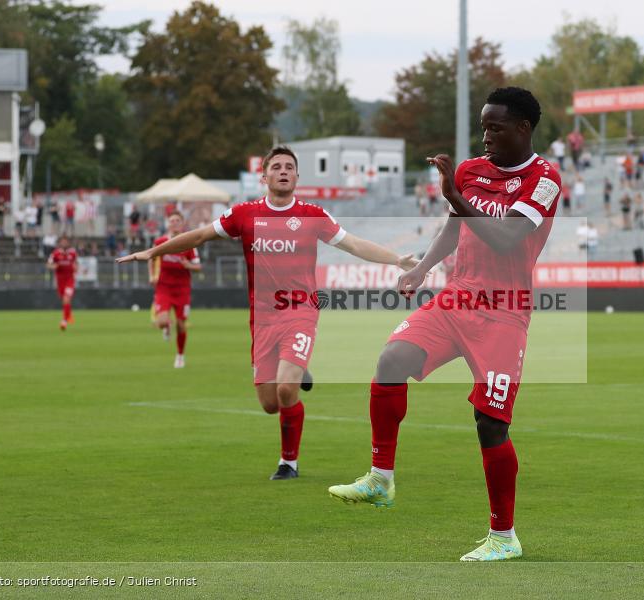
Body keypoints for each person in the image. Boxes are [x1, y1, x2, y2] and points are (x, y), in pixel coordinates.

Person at [327, 87, 561, 562]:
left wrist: (455, 195)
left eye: (495, 127)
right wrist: (423, 267)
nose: (486, 136)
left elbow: (506, 238)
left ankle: (504, 537)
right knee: (392, 360)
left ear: (523, 128)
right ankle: (380, 479)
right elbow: (455, 227)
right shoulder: (472, 171)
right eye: (483, 127)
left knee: (490, 423)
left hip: (504, 310)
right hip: (458, 296)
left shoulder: (544, 179)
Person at [118, 147, 417, 481]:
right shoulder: (244, 214)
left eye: (289, 167)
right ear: (264, 177)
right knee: (270, 403)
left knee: (286, 390)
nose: (283, 171)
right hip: (262, 320)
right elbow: (200, 236)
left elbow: (354, 244)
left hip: (300, 312)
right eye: (276, 167)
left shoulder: (312, 215)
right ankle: (298, 371)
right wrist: (154, 251)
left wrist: (397, 260)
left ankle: (289, 463)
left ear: (297, 176)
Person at [150, 211, 202, 368]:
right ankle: (166, 327)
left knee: (181, 325)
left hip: (182, 289)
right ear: (168, 224)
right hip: (164, 287)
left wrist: (188, 265)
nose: (174, 223)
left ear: (182, 223)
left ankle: (180, 355)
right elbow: (151, 257)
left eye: (177, 220)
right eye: (172, 221)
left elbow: (198, 266)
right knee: (161, 322)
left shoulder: (189, 242)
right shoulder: (161, 242)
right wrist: (152, 275)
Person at [47, 235, 78, 331]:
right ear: (60, 243)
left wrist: (76, 268)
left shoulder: (72, 253)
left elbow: (76, 264)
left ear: (68, 243)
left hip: (70, 280)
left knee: (66, 298)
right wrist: (53, 266)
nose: (64, 243)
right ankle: (68, 315)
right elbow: (48, 264)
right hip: (60, 281)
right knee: (64, 300)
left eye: (66, 241)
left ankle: (64, 321)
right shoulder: (55, 253)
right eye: (62, 242)